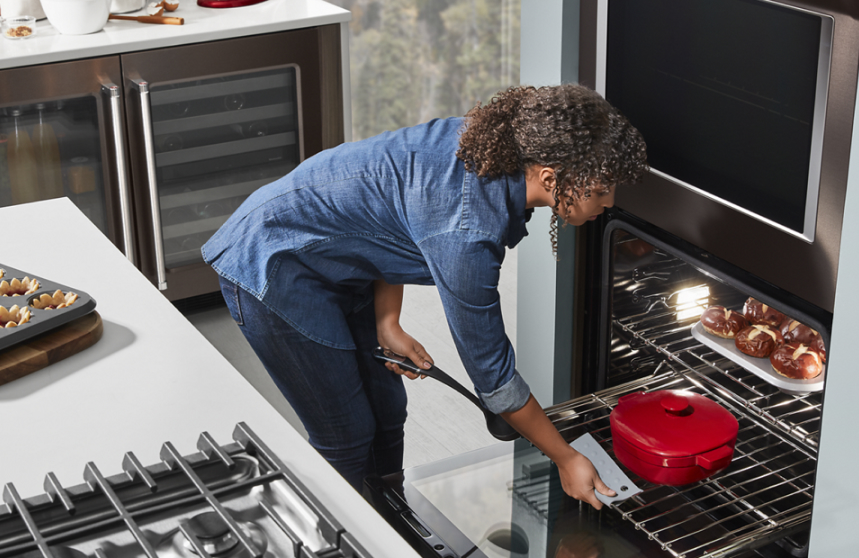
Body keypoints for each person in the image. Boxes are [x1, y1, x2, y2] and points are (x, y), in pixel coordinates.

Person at [200, 84, 647, 506]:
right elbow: (493, 376)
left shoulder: (490, 148)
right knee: (347, 434)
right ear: (550, 178)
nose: (607, 204)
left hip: (331, 258)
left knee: (388, 410)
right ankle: (347, 557)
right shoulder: (469, 232)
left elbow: (387, 216)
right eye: (600, 191)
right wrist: (566, 458)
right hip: (273, 263)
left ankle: (388, 525)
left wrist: (387, 321)